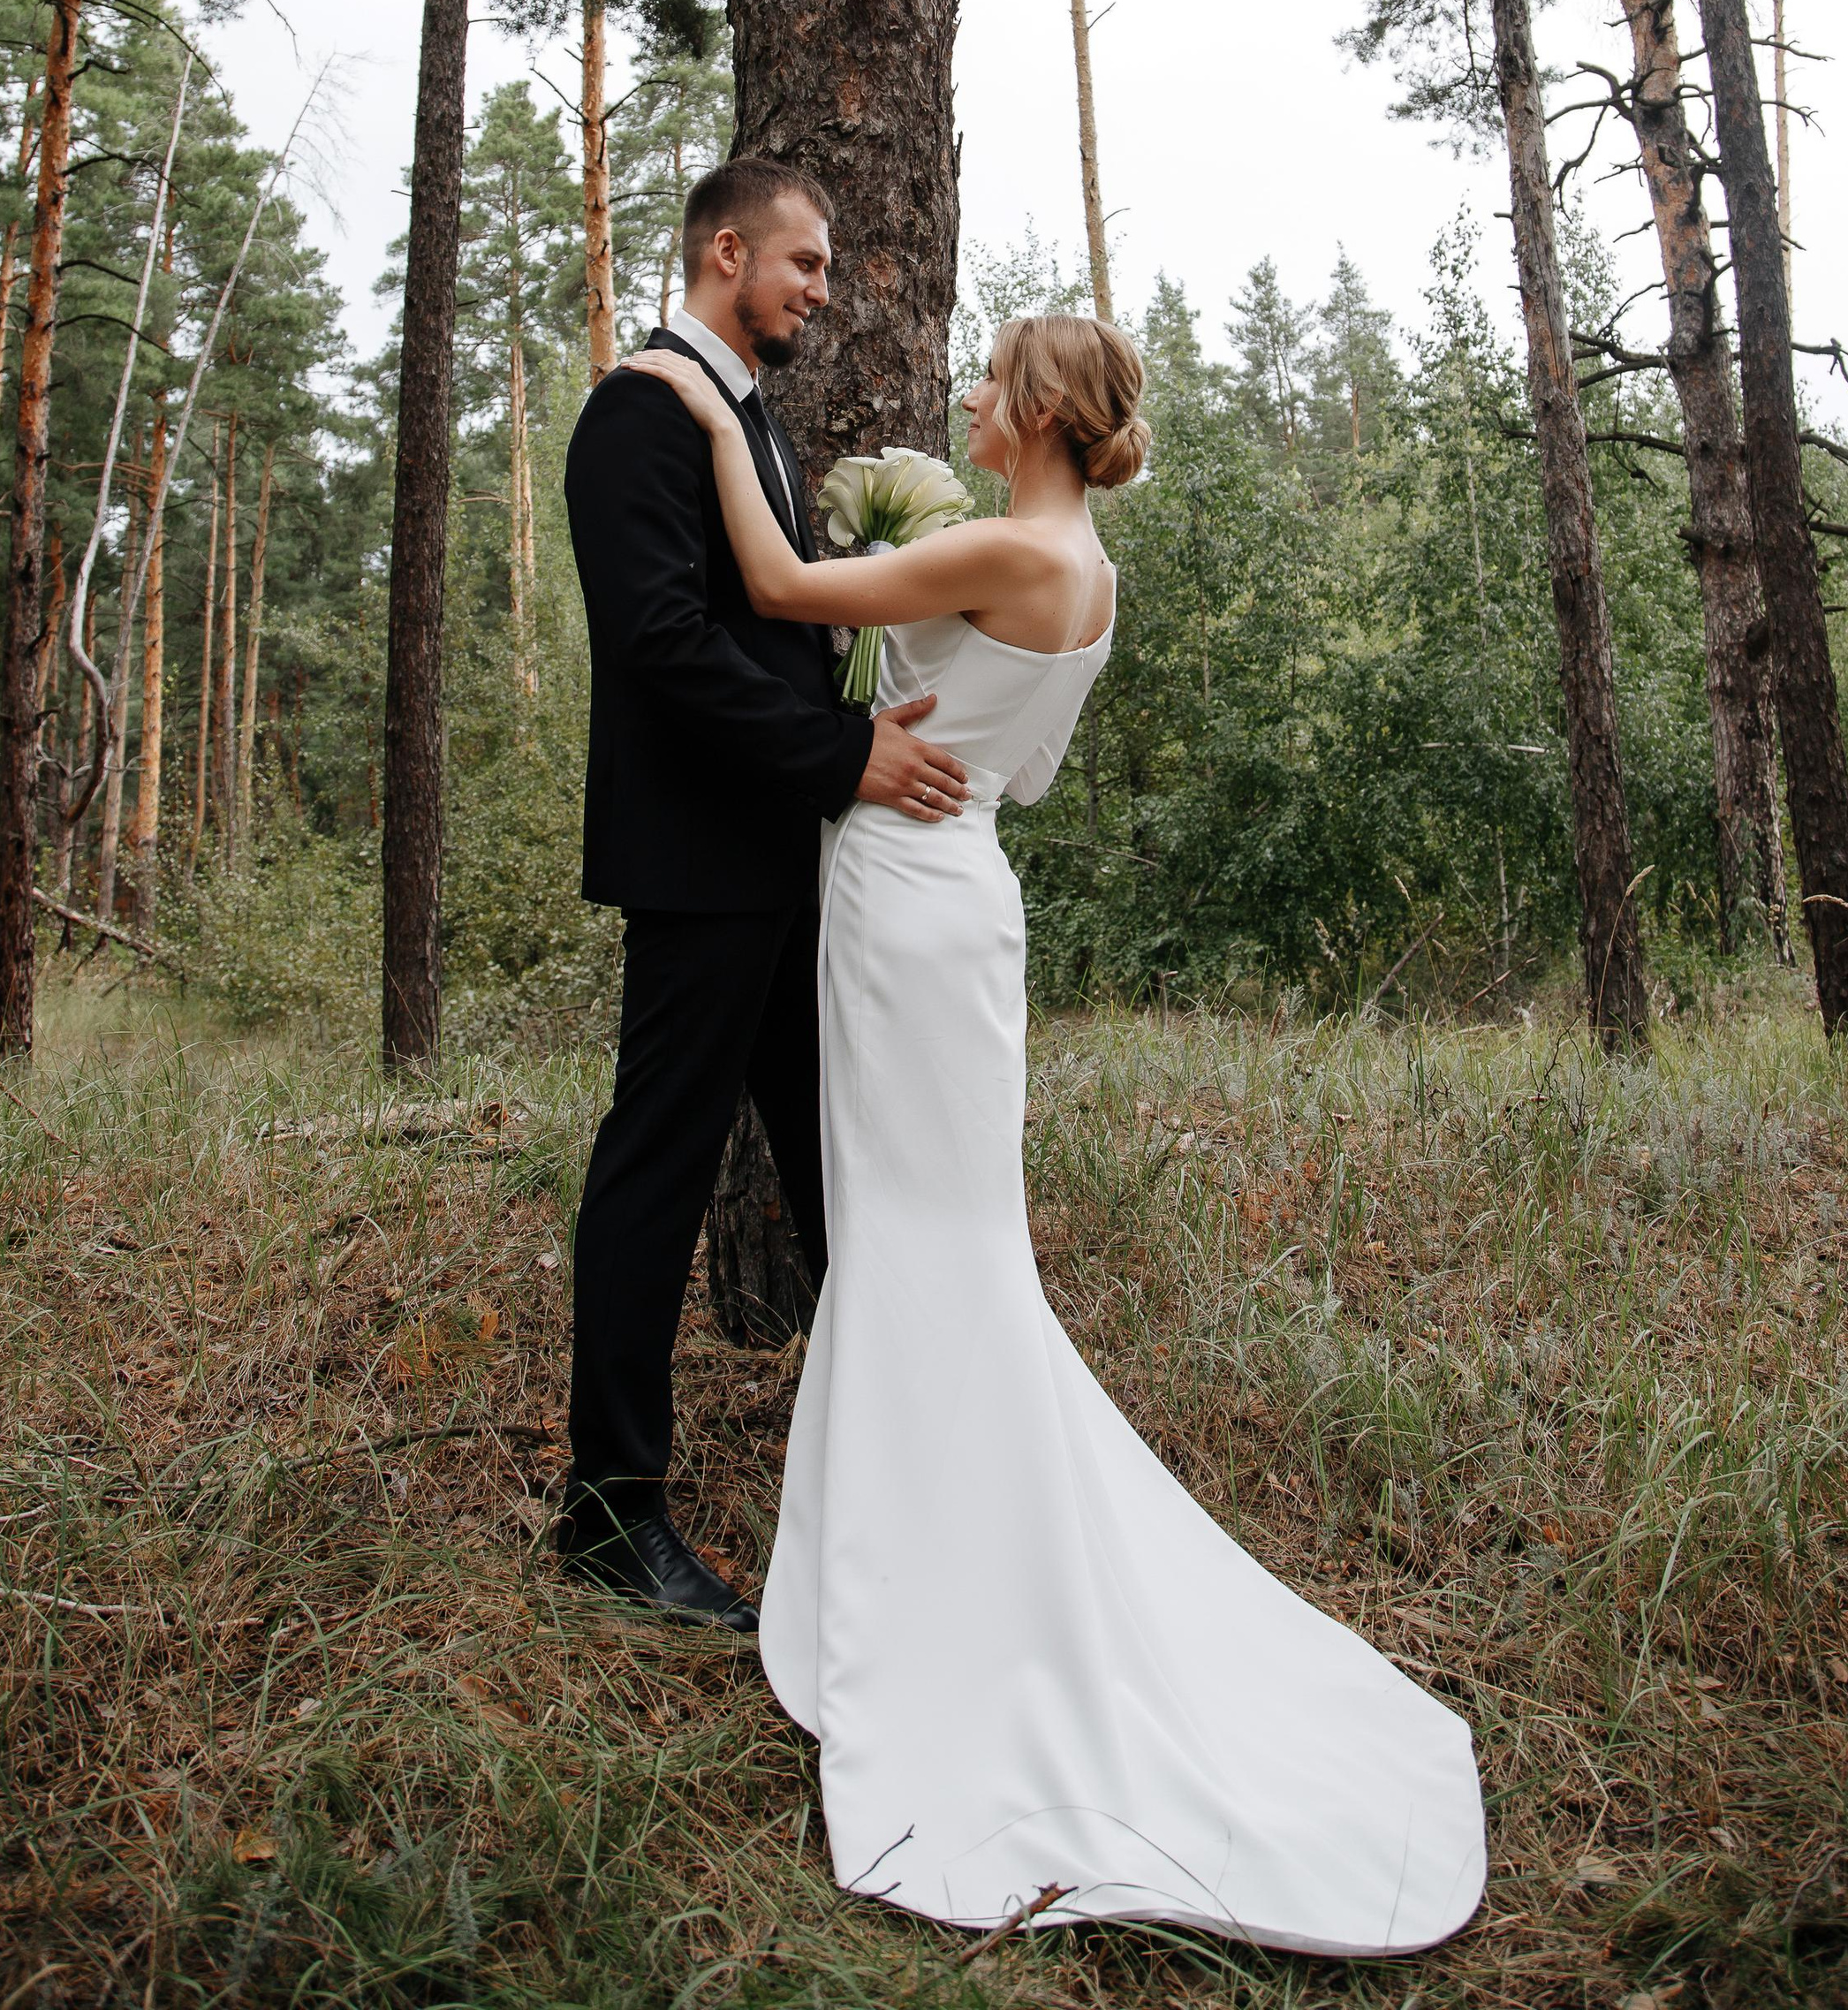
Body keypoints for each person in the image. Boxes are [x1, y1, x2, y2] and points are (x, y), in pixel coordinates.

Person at [621, 310, 1488, 1956]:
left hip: (904, 895)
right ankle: (924, 1559)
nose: (966, 400)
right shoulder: (1077, 565)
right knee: (935, 1241)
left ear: (1031, 412)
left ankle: (950, 1598)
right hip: (964, 894)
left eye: (988, 385)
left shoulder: (1008, 553)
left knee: (923, 1249)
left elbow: (792, 596)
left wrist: (718, 426)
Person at [557, 155, 971, 1627]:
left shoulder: (753, 423)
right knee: (657, 1170)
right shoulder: (637, 415)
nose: (822, 289)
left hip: (787, 864)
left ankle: (905, 1464)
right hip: (701, 864)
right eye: (804, 262)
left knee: (840, 1163)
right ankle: (611, 1516)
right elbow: (662, 649)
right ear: (726, 254)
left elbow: (785, 617)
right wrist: (838, 755)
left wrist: (868, 717)